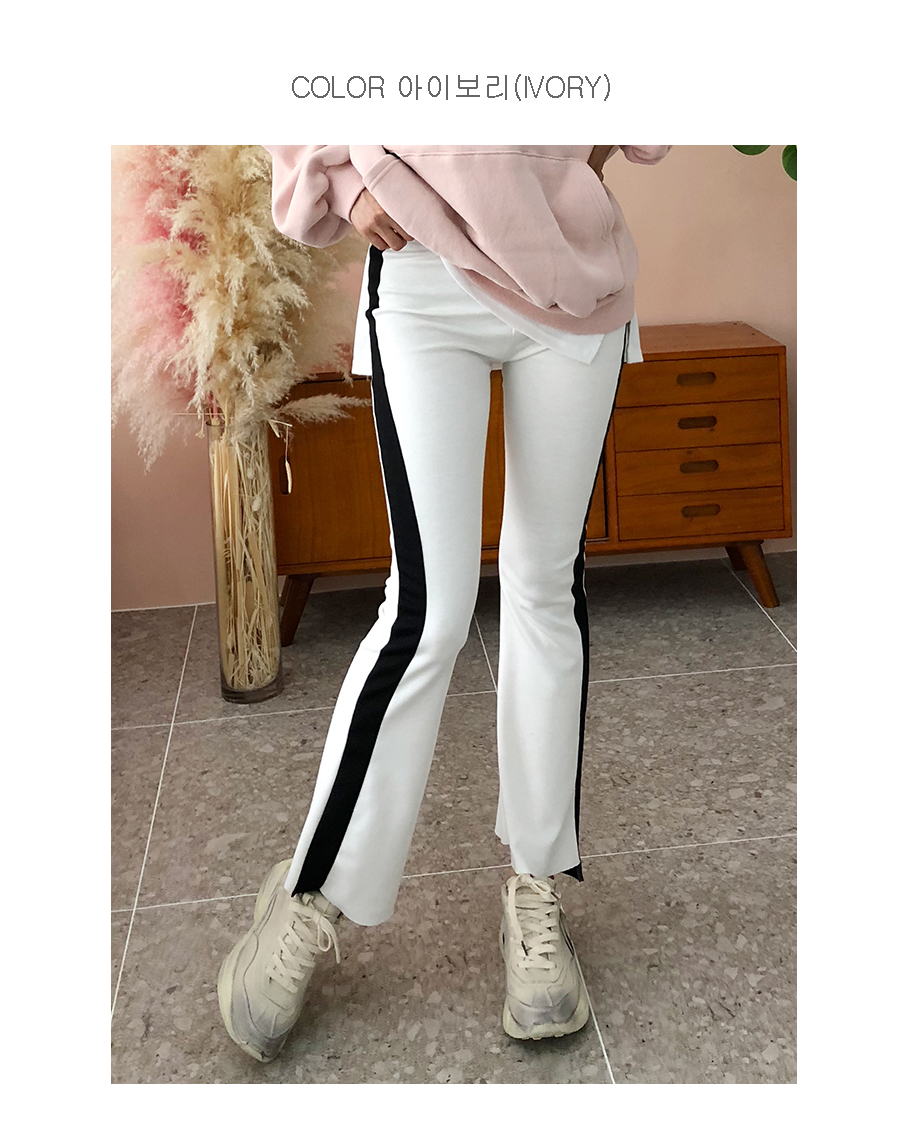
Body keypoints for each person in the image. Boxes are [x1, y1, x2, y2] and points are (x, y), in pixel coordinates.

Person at [217, 144, 673, 1063]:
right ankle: (312, 890)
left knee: (546, 585)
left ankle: (537, 884)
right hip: (423, 269)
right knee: (428, 608)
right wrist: (342, 181)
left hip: (569, 271)